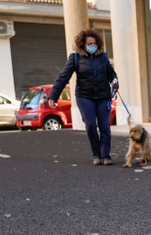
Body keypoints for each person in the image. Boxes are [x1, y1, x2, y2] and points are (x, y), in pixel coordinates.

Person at [47, 29, 118, 165]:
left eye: (95, 43)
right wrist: (53, 96)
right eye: (89, 43)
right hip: (85, 96)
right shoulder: (75, 58)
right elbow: (63, 77)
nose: (93, 46)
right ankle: (96, 155)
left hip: (103, 96)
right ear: (82, 45)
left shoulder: (103, 57)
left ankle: (106, 155)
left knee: (104, 126)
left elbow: (111, 74)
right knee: (91, 125)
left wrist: (115, 81)